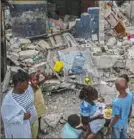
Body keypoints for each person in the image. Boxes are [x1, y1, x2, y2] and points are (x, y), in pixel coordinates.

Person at [1, 70, 37, 138]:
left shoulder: (27, 89)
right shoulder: (8, 102)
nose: (28, 84)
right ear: (19, 84)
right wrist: (22, 117)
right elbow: (6, 119)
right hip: (22, 129)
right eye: (26, 82)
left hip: (33, 121)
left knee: (34, 135)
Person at [29, 70, 49, 135]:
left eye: (36, 80)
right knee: (35, 123)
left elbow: (46, 78)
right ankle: (36, 134)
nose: (35, 81)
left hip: (40, 107)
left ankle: (39, 130)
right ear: (30, 81)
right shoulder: (30, 88)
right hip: (34, 109)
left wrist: (42, 73)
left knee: (39, 119)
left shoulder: (37, 84)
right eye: (33, 80)